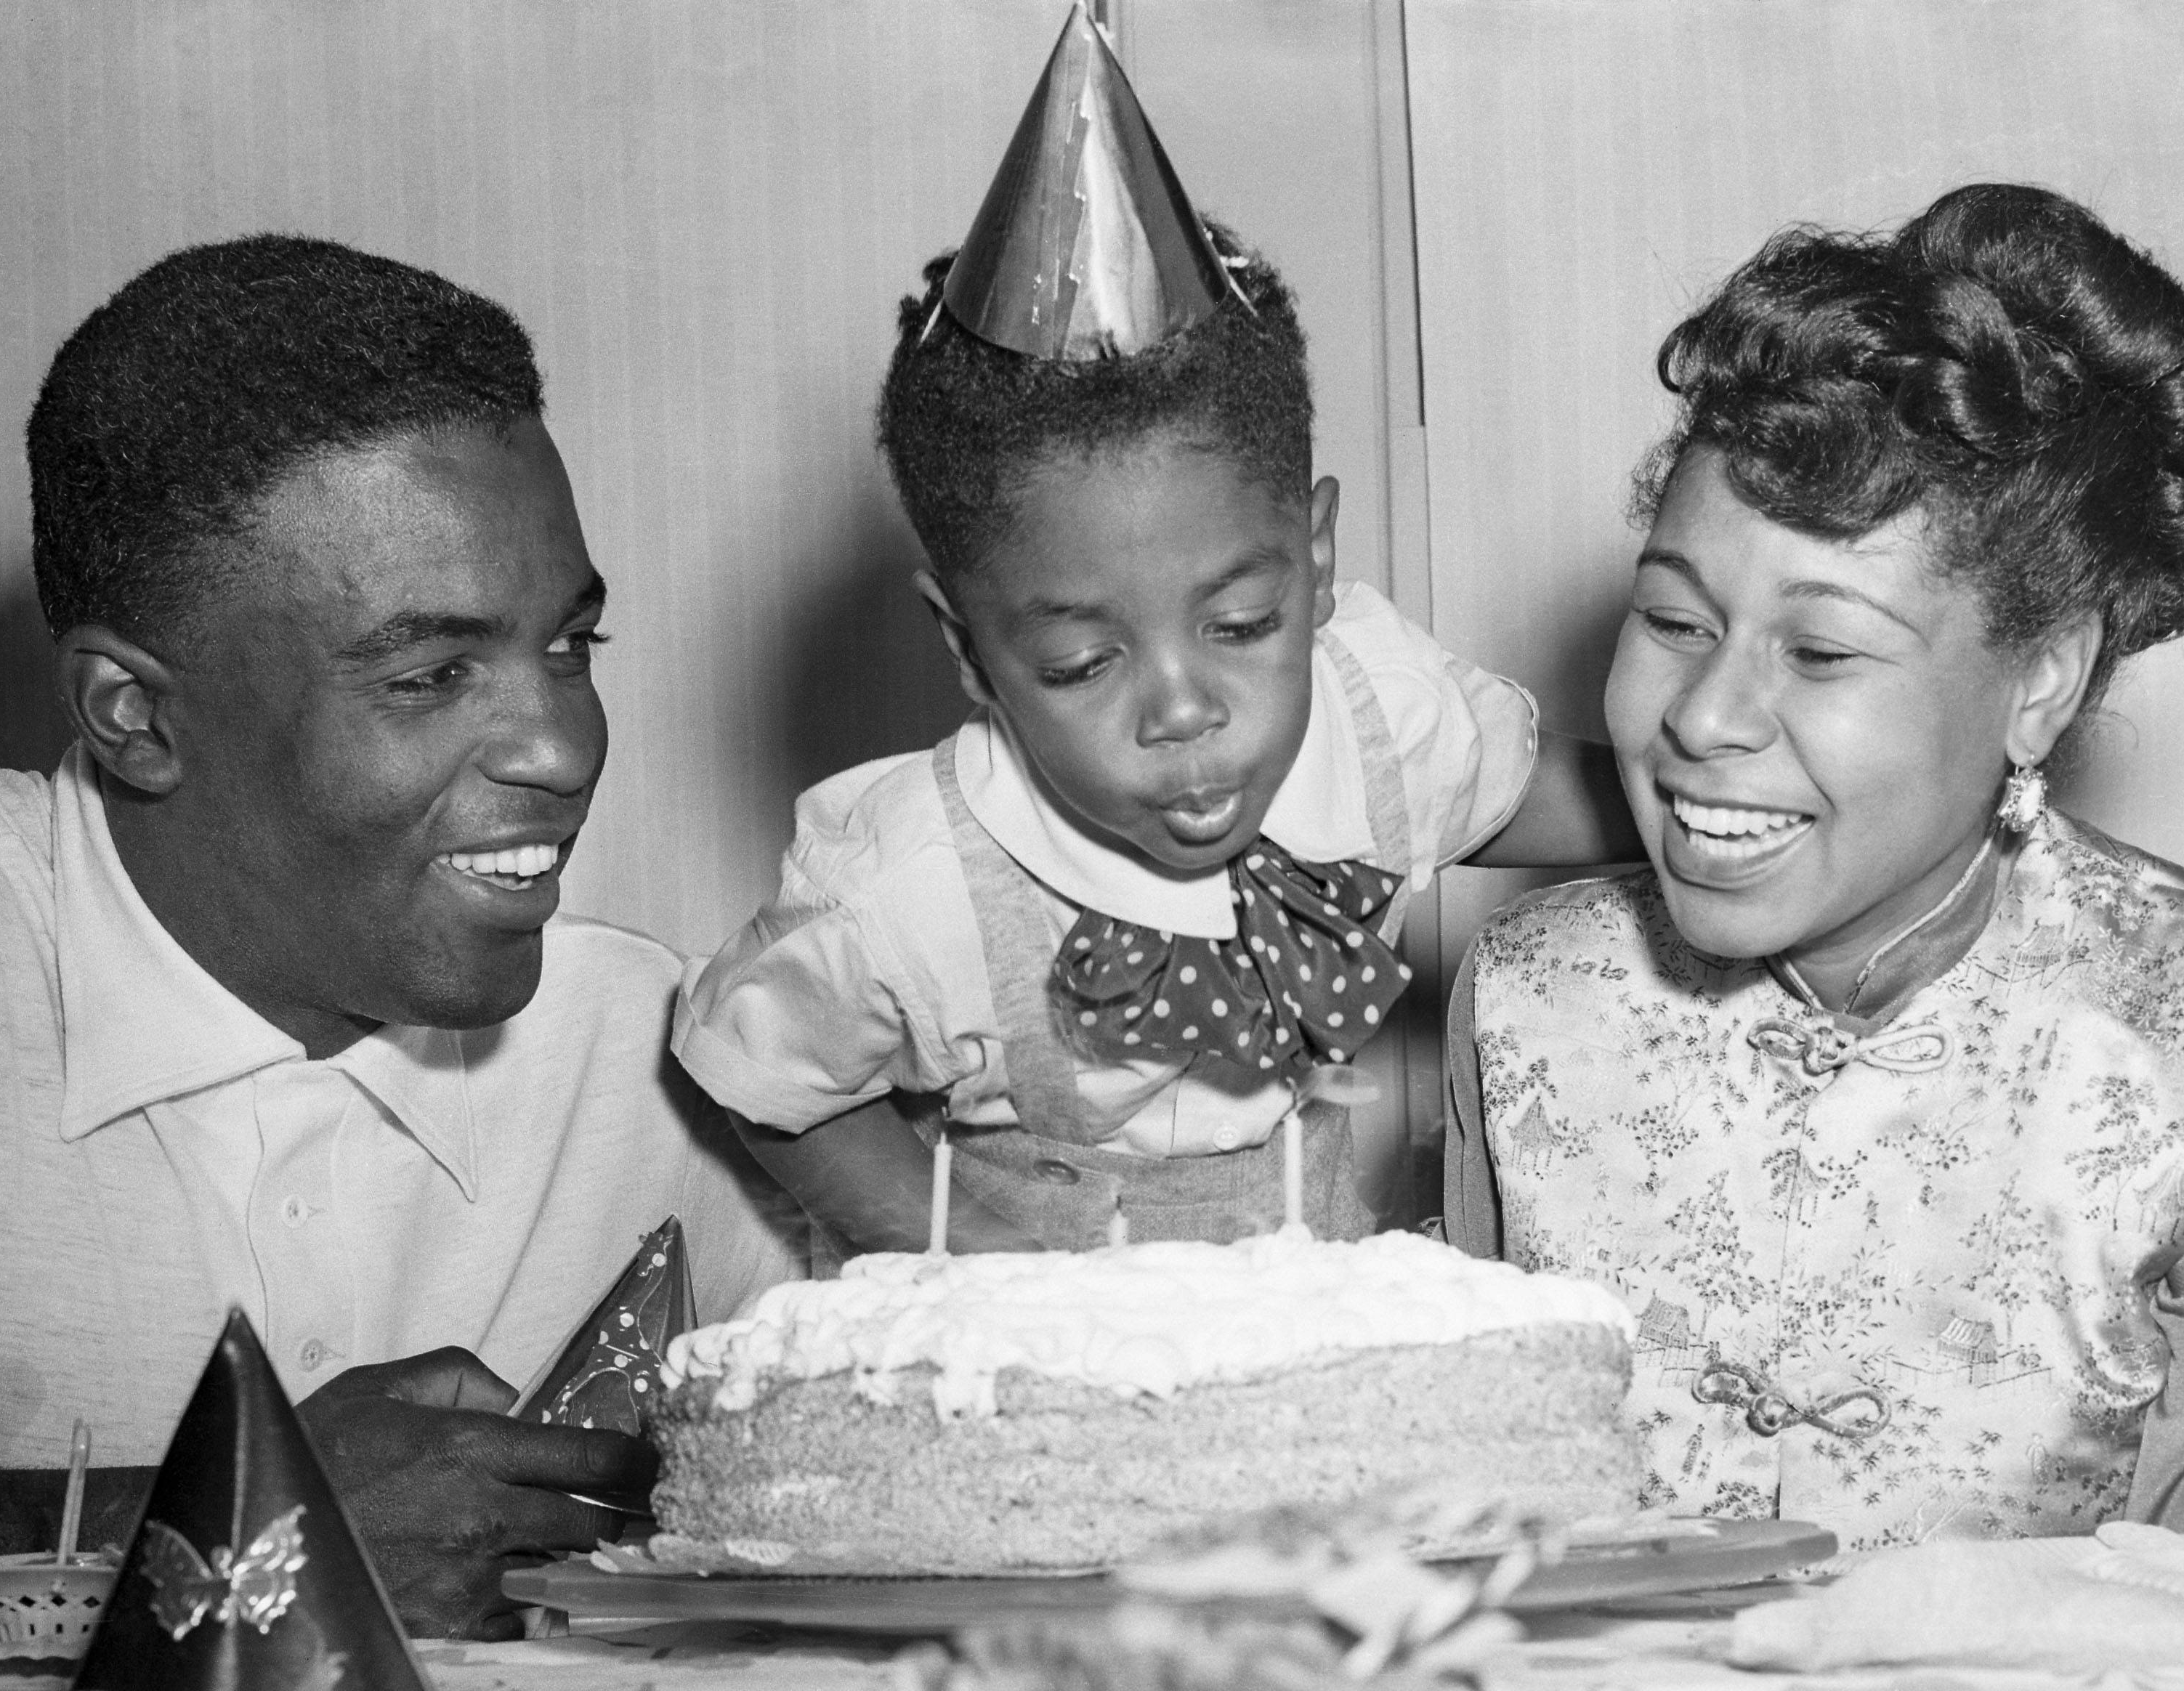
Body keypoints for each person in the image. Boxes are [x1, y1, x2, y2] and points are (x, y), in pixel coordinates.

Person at [1444, 183, 2184, 1552]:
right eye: (1674, 620)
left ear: (2038, 682)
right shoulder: (1525, 995)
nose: (1700, 718)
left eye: (1819, 652)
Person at [0, 236, 801, 1631]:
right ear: (135, 713)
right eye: (428, 673)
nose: (562, 742)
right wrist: (223, 1526)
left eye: (572, 645)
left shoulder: (659, 1059)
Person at [674, 16, 1627, 1254]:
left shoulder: (1383, 721)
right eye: (1081, 663)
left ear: (1318, 556)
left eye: (1239, 623)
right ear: (967, 650)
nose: (1182, 708)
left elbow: (1529, 800)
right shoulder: (913, 891)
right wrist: (961, 1266)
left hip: (1307, 1325)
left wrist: (1748, 819)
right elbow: (766, 1082)